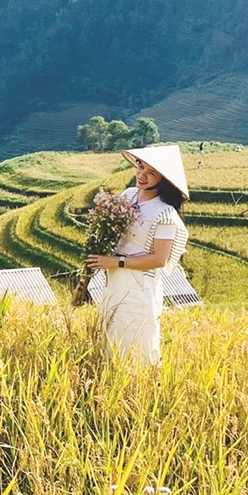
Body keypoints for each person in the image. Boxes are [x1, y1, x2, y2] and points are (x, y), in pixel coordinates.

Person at [84, 144, 190, 366]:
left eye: (152, 173)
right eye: (141, 167)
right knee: (110, 334)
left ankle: (140, 389)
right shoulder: (129, 195)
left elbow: (159, 259)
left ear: (164, 180)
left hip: (139, 285)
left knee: (136, 338)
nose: (142, 175)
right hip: (114, 280)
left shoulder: (165, 214)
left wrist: (115, 261)